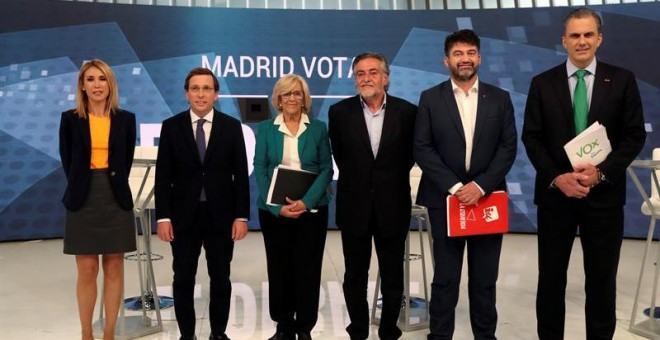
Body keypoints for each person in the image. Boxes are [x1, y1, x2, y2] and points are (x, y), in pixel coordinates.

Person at [521, 8, 645, 339]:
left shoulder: (622, 80)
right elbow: (531, 137)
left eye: (588, 34)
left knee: (602, 281)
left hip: (603, 198)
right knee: (550, 279)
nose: (582, 41)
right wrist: (557, 177)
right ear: (564, 41)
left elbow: (634, 136)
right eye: (575, 35)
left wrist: (602, 173)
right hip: (555, 198)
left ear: (599, 39)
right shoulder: (542, 83)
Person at [414, 29, 517, 339]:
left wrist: (481, 186)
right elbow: (422, 147)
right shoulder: (430, 98)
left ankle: (485, 336)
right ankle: (439, 335)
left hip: (487, 200)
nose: (465, 59)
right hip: (445, 200)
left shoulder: (500, 98)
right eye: (458, 54)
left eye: (470, 53)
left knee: (485, 279)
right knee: (445, 278)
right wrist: (457, 187)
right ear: (446, 61)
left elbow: (507, 147)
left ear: (479, 58)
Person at [155, 67, 250, 340]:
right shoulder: (171, 127)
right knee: (183, 278)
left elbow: (240, 176)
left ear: (216, 94)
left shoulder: (231, 127)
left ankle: (218, 333)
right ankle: (187, 334)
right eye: (195, 88)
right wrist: (163, 218)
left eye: (206, 88)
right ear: (187, 93)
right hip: (183, 217)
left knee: (220, 278)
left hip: (221, 217)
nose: (200, 94)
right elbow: (163, 176)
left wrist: (241, 216)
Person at [328, 52, 417, 340]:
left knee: (393, 275)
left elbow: (410, 156)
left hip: (394, 205)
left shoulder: (408, 112)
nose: (366, 78)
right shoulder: (339, 113)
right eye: (360, 73)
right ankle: (358, 328)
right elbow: (341, 156)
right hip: (354, 206)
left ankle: (389, 329)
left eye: (373, 72)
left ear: (386, 78)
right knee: (354, 275)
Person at [59, 59, 137, 340]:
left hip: (115, 197)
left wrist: (110, 180)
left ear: (110, 84)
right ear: (82, 85)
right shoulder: (70, 119)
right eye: (90, 79)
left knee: (114, 266)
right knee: (87, 269)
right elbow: (68, 161)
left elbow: (125, 160)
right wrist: (85, 183)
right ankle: (86, 334)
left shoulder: (126, 119)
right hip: (83, 197)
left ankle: (108, 334)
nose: (96, 85)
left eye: (102, 79)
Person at [253, 74, 333, 340]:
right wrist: (276, 208)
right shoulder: (265, 128)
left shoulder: (319, 128)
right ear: (278, 98)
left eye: (297, 93)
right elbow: (260, 168)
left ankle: (305, 327)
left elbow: (325, 168)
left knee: (308, 269)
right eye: (286, 94)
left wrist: (306, 201)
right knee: (279, 268)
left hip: (312, 210)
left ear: (304, 98)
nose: (292, 98)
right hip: (275, 213)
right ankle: (284, 325)